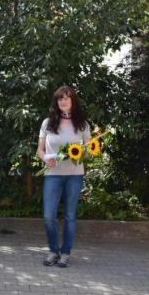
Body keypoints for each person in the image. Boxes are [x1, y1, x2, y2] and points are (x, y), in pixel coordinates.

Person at [36, 86, 91, 268]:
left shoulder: (82, 124)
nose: (63, 101)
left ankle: (65, 253)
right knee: (48, 216)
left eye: (67, 98)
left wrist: (77, 154)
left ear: (73, 101)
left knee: (69, 216)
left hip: (74, 175)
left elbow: (89, 151)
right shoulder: (47, 123)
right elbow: (40, 150)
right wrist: (45, 159)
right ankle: (53, 251)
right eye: (60, 98)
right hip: (53, 174)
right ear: (56, 102)